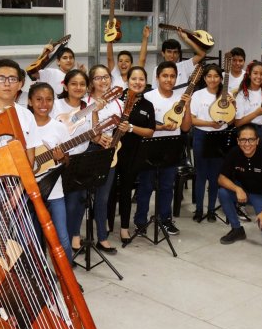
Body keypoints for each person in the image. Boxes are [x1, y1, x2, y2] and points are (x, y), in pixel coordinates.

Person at [134, 61, 191, 236]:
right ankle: (140, 222)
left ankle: (165, 219)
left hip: (171, 146)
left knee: (167, 186)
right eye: (165, 76)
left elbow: (186, 128)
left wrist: (187, 108)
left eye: (172, 76)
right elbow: (143, 125)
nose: (169, 79)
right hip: (149, 147)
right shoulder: (148, 97)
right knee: (146, 185)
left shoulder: (180, 98)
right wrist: (162, 128)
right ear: (157, 77)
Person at [76, 64, 121, 254]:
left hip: (109, 152)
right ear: (91, 82)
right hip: (87, 150)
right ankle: (76, 237)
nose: (103, 81)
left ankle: (102, 237)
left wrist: (117, 137)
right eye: (98, 78)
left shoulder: (117, 102)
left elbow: (118, 128)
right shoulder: (84, 103)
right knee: (81, 197)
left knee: (103, 197)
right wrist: (96, 137)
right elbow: (79, 129)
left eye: (106, 77)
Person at [27, 82, 73, 263]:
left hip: (55, 190)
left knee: (62, 238)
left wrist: (61, 157)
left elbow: (67, 161)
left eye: (48, 100)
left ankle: (68, 279)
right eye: (38, 99)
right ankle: (43, 277)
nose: (43, 104)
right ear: (30, 101)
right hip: (29, 192)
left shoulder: (59, 127)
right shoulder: (23, 127)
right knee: (34, 240)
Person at [54, 69, 98, 253]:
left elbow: (95, 136)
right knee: (59, 205)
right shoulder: (55, 104)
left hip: (80, 160)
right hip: (56, 161)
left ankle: (72, 239)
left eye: (82, 84)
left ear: (87, 87)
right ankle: (59, 242)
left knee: (77, 203)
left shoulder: (88, 107)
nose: (78, 87)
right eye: (74, 83)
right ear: (65, 85)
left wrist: (96, 111)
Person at [216, 124, 262, 244]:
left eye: (251, 139)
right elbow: (221, 178)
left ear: (257, 141)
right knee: (223, 192)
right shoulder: (234, 152)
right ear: (238, 141)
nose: (247, 143)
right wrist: (237, 189)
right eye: (243, 140)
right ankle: (237, 229)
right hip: (243, 192)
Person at [114, 67, 156, 244]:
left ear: (145, 82)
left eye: (141, 79)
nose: (137, 82)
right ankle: (106, 226)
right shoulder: (116, 100)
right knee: (107, 192)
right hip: (112, 150)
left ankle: (124, 227)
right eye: (134, 79)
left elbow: (150, 131)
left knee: (125, 190)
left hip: (133, 153)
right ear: (127, 81)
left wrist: (131, 128)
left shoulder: (148, 105)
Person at [189, 64, 229, 221]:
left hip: (220, 137)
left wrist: (233, 105)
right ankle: (199, 210)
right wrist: (210, 124)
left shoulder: (225, 95)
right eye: (209, 76)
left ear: (221, 78)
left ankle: (211, 210)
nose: (213, 79)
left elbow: (231, 120)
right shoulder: (198, 95)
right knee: (201, 175)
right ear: (204, 78)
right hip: (201, 136)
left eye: (216, 76)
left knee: (215, 177)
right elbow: (192, 120)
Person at [235, 60, 262, 152]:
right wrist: (256, 113)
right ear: (249, 75)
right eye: (255, 73)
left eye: (261, 74)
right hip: (249, 133)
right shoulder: (242, 95)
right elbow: (237, 123)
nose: (259, 77)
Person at [153, 30, 206, 95]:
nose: (172, 56)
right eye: (169, 52)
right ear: (163, 53)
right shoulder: (157, 69)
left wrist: (186, 39)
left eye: (175, 52)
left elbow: (202, 54)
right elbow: (155, 91)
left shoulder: (184, 66)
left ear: (179, 54)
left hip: (183, 103)